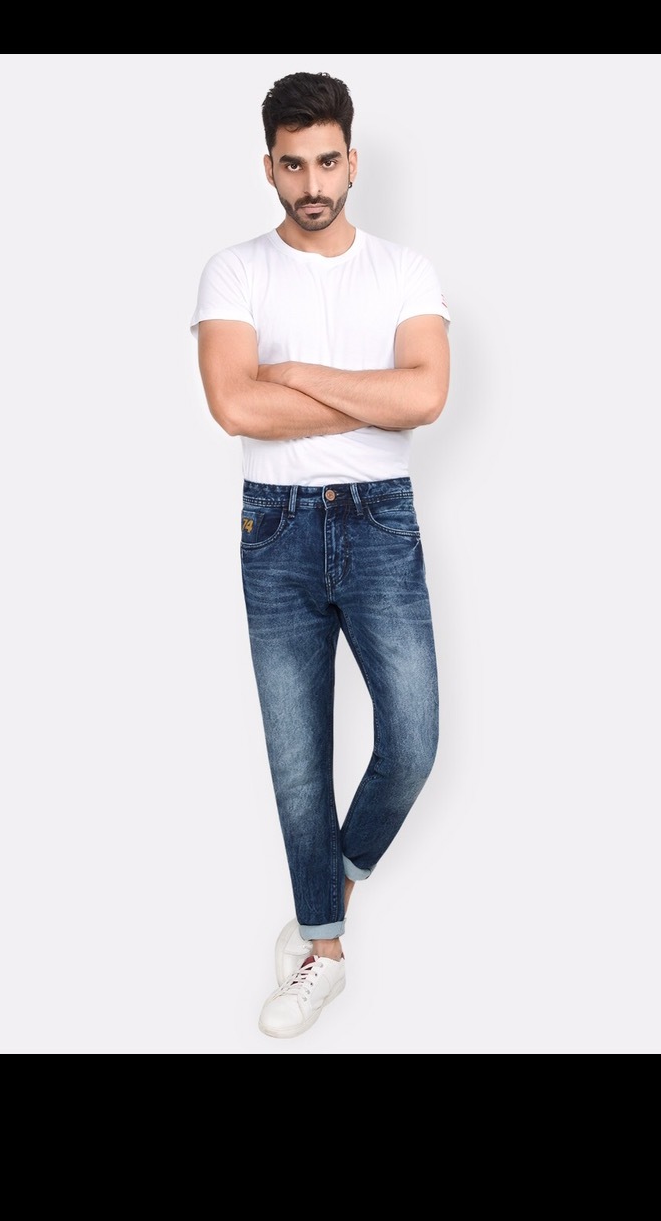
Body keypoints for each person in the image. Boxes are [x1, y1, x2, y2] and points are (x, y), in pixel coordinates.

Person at [191, 71, 451, 1039]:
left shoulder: (405, 271)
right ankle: (325, 952)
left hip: (381, 522)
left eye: (327, 162)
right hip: (276, 528)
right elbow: (235, 406)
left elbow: (426, 397)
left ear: (353, 160)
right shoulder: (233, 272)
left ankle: (325, 889)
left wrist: (295, 373)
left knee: (413, 740)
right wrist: (370, 397)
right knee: (299, 759)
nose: (313, 183)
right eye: (293, 165)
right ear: (269, 167)